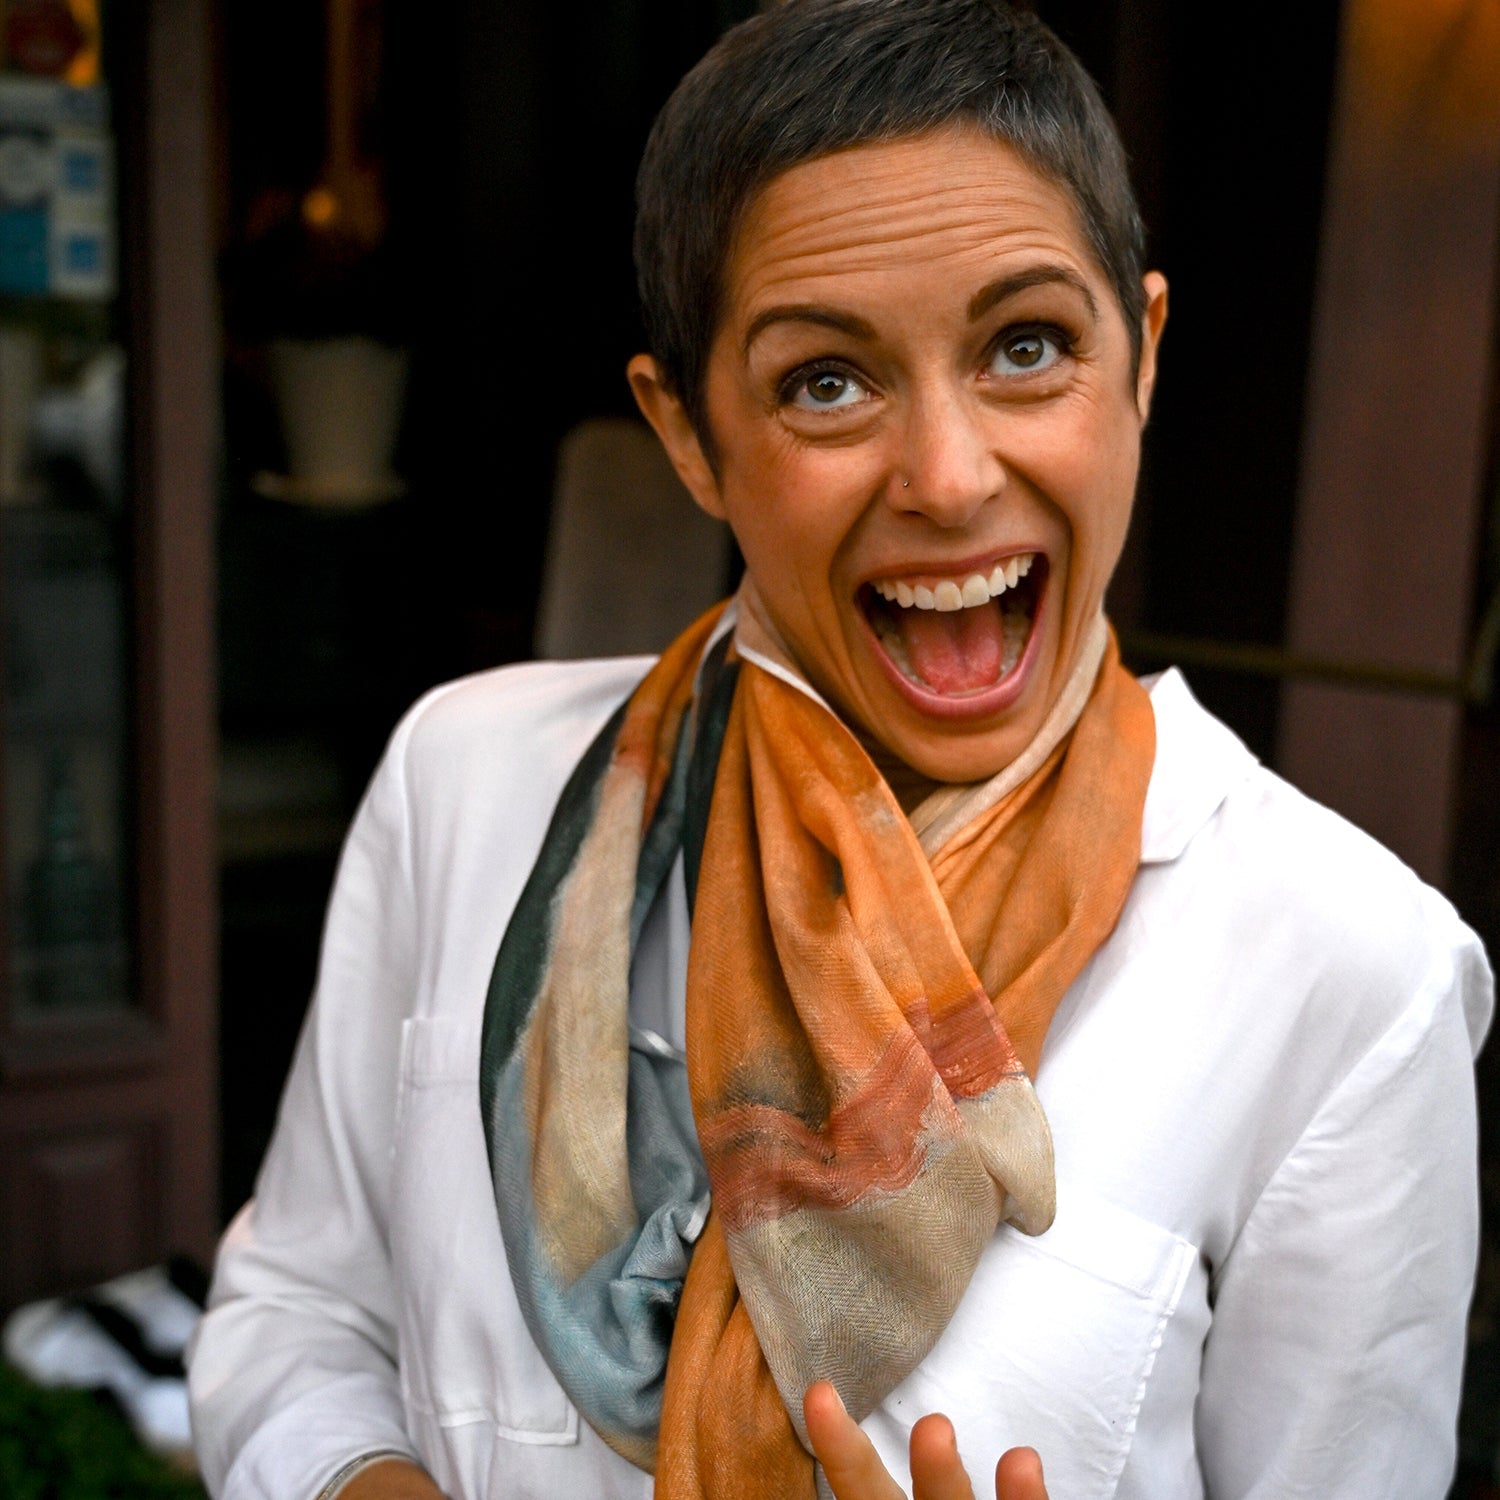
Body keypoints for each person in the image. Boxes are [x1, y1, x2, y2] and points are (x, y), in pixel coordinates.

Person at [186, 2, 1494, 1497]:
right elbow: (297, 1314)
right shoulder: (471, 783)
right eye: (826, 381)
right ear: (688, 435)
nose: (948, 474)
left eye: (1026, 347)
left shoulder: (1348, 971)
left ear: (1141, 357)